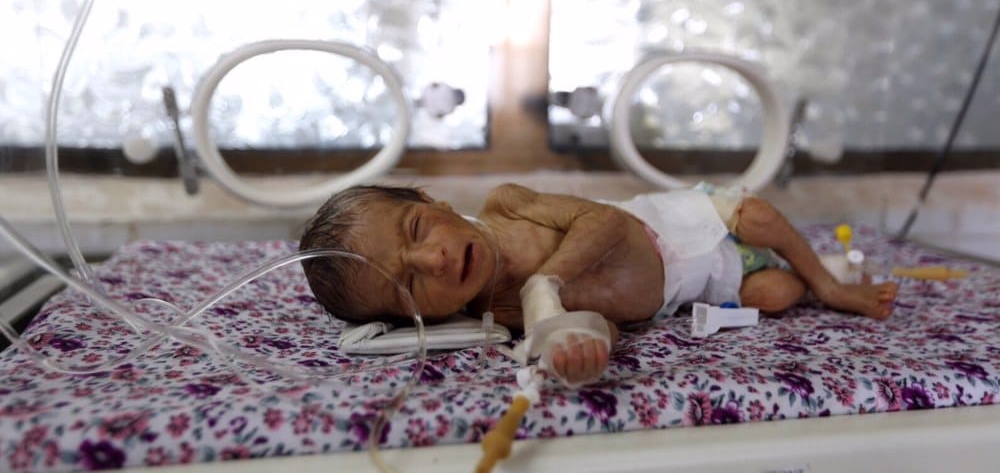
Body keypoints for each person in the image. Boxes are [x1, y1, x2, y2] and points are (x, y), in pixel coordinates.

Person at [299, 183, 898, 385]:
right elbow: (609, 323)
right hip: (693, 286)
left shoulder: (509, 207)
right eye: (409, 282)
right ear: (418, 321)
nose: (432, 258)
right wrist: (583, 347)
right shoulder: (504, 315)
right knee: (772, 296)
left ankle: (830, 282)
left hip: (677, 227)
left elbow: (604, 221)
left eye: (418, 227)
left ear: (435, 201)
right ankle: (802, 277)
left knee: (758, 214)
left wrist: (549, 278)